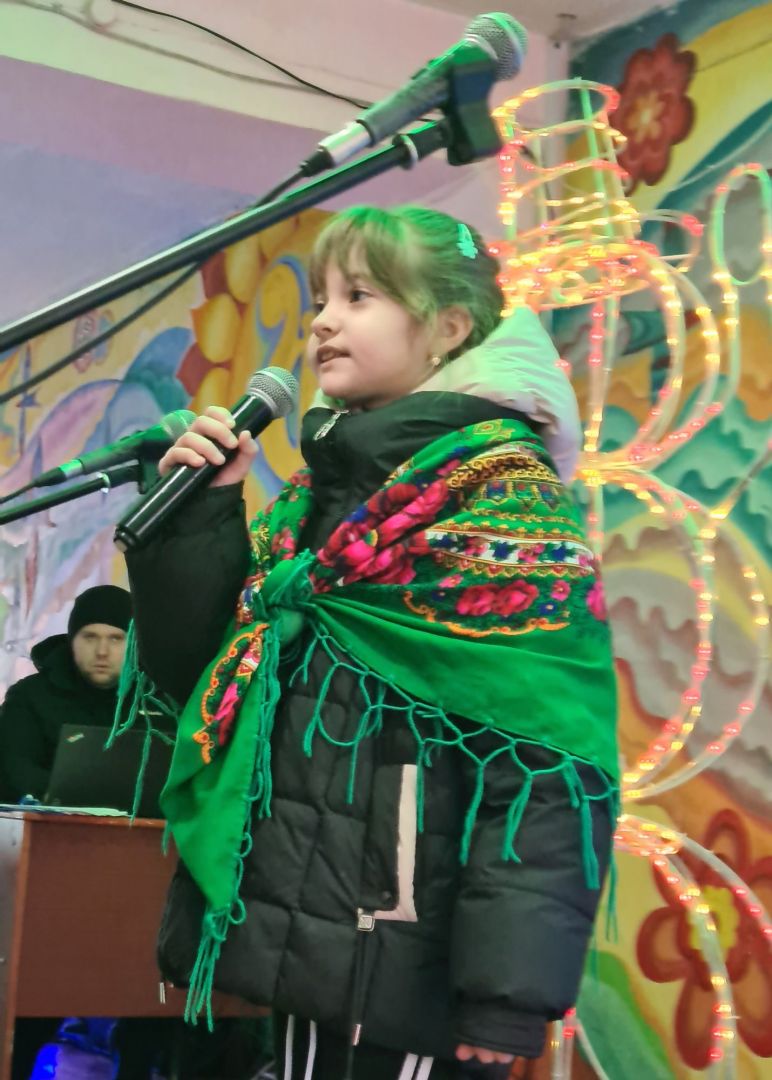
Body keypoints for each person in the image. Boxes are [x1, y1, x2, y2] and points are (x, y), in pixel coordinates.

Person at [123, 205, 619, 1079]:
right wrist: (203, 514)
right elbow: (206, 673)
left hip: (408, 960)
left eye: (358, 296)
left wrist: (504, 995)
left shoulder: (508, 501)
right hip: (304, 942)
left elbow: (549, 768)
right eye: (321, 297)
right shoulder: (318, 496)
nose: (322, 320)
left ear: (448, 329)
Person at [0, 584, 131, 803]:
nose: (102, 651)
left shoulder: (156, 701)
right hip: (50, 819)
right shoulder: (30, 698)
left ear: (135, 643)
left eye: (116, 638)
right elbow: (14, 769)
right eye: (90, 637)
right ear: (71, 641)